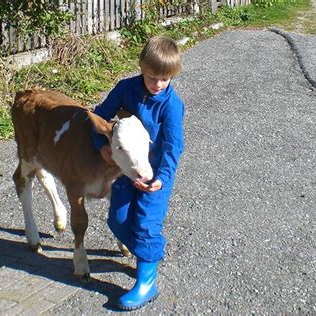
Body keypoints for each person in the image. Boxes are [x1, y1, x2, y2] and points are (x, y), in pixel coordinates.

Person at [91, 35, 184, 311]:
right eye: (152, 77)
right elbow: (99, 116)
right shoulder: (126, 88)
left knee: (145, 224)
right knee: (117, 221)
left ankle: (147, 283)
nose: (157, 85)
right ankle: (148, 254)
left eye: (164, 79)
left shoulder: (171, 105)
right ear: (141, 68)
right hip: (127, 171)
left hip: (155, 177)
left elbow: (173, 147)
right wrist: (102, 147)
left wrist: (161, 179)